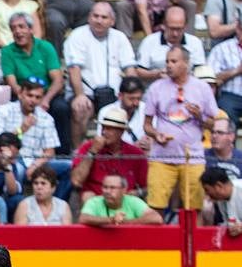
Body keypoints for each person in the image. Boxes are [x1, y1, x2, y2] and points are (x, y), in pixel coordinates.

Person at [143, 45, 217, 212]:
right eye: (167, 61)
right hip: (161, 157)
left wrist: (199, 116)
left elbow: (213, 124)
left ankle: (193, 239)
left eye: (174, 61)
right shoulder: (156, 88)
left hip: (192, 158)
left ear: (185, 63)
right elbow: (147, 125)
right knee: (155, 208)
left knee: (194, 209)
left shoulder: (202, 88)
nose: (169, 65)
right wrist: (156, 134)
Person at [63, 1, 140, 143]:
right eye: (95, 16)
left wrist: (132, 94)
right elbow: (74, 69)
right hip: (87, 94)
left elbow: (130, 69)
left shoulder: (120, 38)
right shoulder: (77, 35)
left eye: (104, 17)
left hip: (115, 94)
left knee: (133, 106)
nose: (99, 20)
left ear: (112, 21)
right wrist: (79, 95)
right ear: (89, 18)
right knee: (80, 108)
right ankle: (78, 153)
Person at [70, 103, 148, 195]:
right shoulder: (88, 147)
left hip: (125, 200)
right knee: (87, 196)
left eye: (109, 129)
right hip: (96, 200)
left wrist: (136, 193)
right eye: (103, 127)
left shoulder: (135, 153)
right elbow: (76, 181)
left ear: (121, 131)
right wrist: (92, 152)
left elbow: (147, 187)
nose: (104, 132)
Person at [134, 4, 206, 84]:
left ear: (185, 26)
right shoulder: (149, 41)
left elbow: (201, 71)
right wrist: (156, 74)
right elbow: (139, 71)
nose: (175, 34)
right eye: (172, 28)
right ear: (163, 25)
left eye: (179, 29)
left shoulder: (195, 43)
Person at [201, 165, 242, 231]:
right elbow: (230, 224)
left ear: (219, 186)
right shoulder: (221, 199)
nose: (206, 194)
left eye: (207, 190)